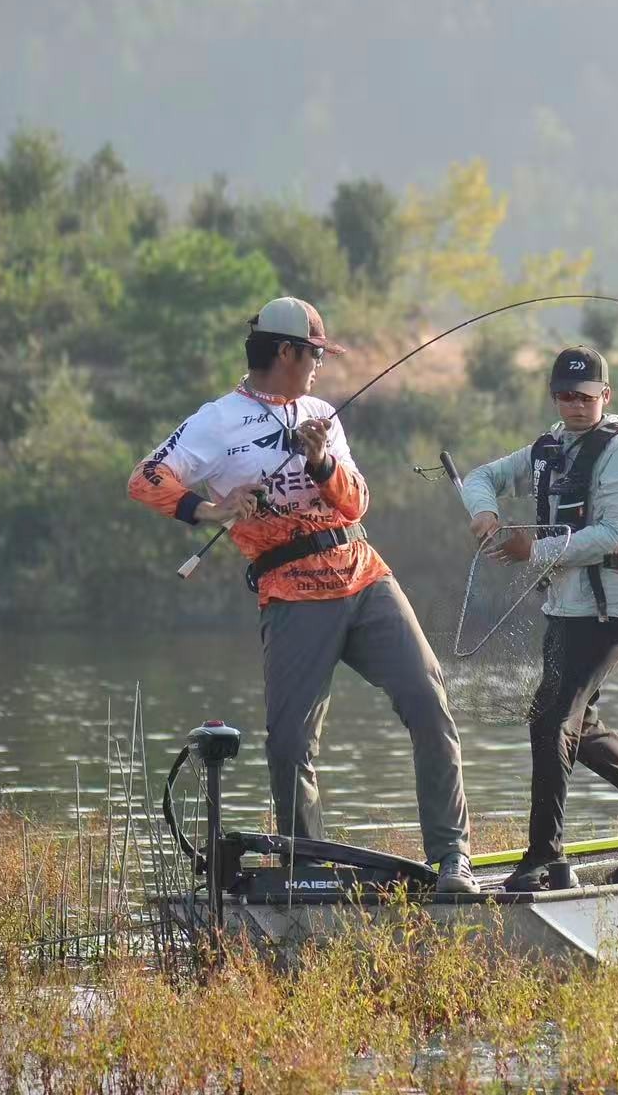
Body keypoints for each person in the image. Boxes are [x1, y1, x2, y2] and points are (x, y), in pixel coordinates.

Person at [128, 296, 477, 894]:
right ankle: (309, 872)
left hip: (364, 576)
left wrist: (319, 460)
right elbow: (145, 478)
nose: (320, 365)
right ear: (285, 351)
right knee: (291, 742)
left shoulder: (321, 413)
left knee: (428, 699)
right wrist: (211, 507)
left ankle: (453, 860)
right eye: (314, 353)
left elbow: (357, 503)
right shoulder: (216, 421)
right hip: (290, 592)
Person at [459, 346, 618, 891]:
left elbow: (613, 534)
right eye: (565, 395)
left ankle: (544, 858)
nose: (575, 405)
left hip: (608, 613)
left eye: (585, 397)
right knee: (574, 725)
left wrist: (528, 552)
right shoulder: (548, 447)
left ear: (606, 397)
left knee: (549, 720)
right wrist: (485, 513)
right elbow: (480, 477)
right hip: (562, 609)